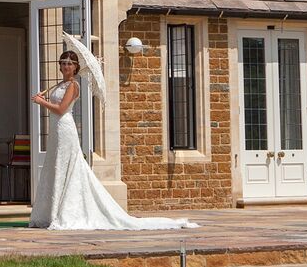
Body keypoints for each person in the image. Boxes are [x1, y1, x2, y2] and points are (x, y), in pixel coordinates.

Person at [28, 50, 198, 230]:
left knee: (65, 165)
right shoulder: (60, 84)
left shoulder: (73, 86)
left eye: (70, 63)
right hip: (56, 129)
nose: (65, 66)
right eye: (63, 63)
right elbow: (55, 105)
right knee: (55, 165)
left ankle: (65, 212)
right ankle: (51, 212)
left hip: (65, 129)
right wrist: (44, 97)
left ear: (76, 67)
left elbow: (61, 109)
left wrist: (41, 102)